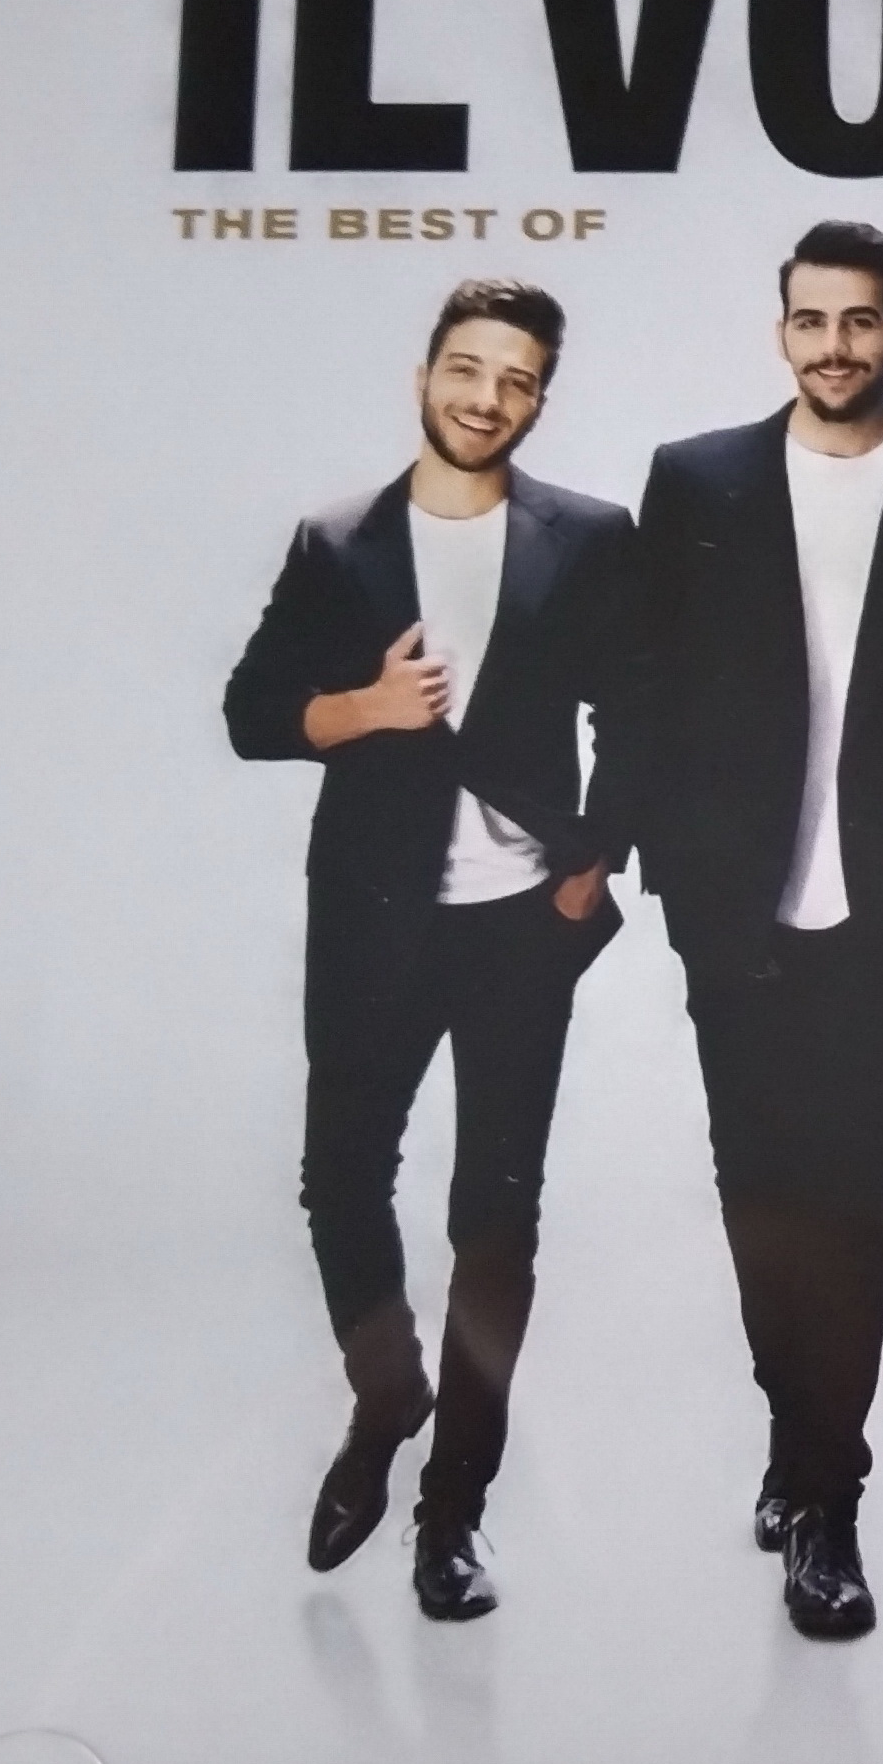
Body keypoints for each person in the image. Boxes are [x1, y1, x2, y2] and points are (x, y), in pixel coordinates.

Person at [223, 277, 636, 1622]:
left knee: (496, 1214)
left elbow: (646, 713)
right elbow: (251, 713)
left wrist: (592, 864)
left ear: (540, 399)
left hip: (524, 923)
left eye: (516, 379)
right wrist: (367, 707)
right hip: (372, 913)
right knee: (339, 1175)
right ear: (423, 376)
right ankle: (387, 1394)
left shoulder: (589, 537)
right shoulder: (339, 539)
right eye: (467, 369)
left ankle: (453, 1511)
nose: (486, 398)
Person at [613, 221, 883, 1642]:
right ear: (782, 332)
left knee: (852, 1184)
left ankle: (830, 1502)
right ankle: (797, 1435)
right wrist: (667, 871)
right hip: (740, 907)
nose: (836, 346)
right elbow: (646, 687)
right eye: (812, 321)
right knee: (761, 1187)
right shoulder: (697, 480)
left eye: (861, 321)